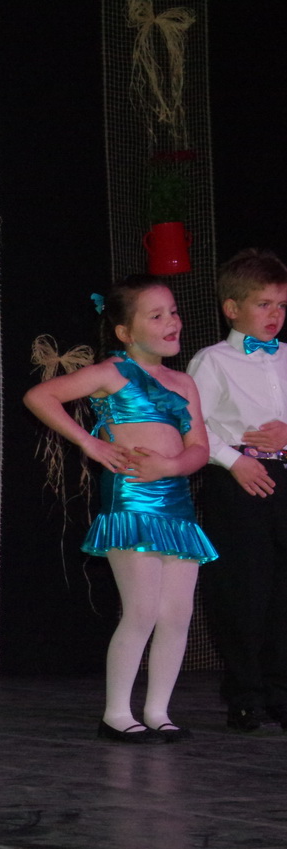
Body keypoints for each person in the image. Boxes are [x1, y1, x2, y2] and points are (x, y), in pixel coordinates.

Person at [23, 276, 216, 744]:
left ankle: (158, 710)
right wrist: (90, 444)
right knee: (142, 609)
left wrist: (172, 465)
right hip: (132, 499)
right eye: (157, 315)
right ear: (125, 332)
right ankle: (115, 713)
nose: (171, 322)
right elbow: (39, 396)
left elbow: (199, 448)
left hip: (176, 504)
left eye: (173, 312)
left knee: (177, 613)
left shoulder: (184, 382)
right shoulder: (113, 372)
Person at [185, 249, 287, 732]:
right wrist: (234, 461)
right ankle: (244, 691)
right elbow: (191, 424)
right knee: (243, 589)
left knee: (282, 591)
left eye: (281, 305)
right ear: (232, 308)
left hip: (284, 476)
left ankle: (279, 690)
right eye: (264, 304)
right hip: (238, 479)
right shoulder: (213, 361)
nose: (275, 315)